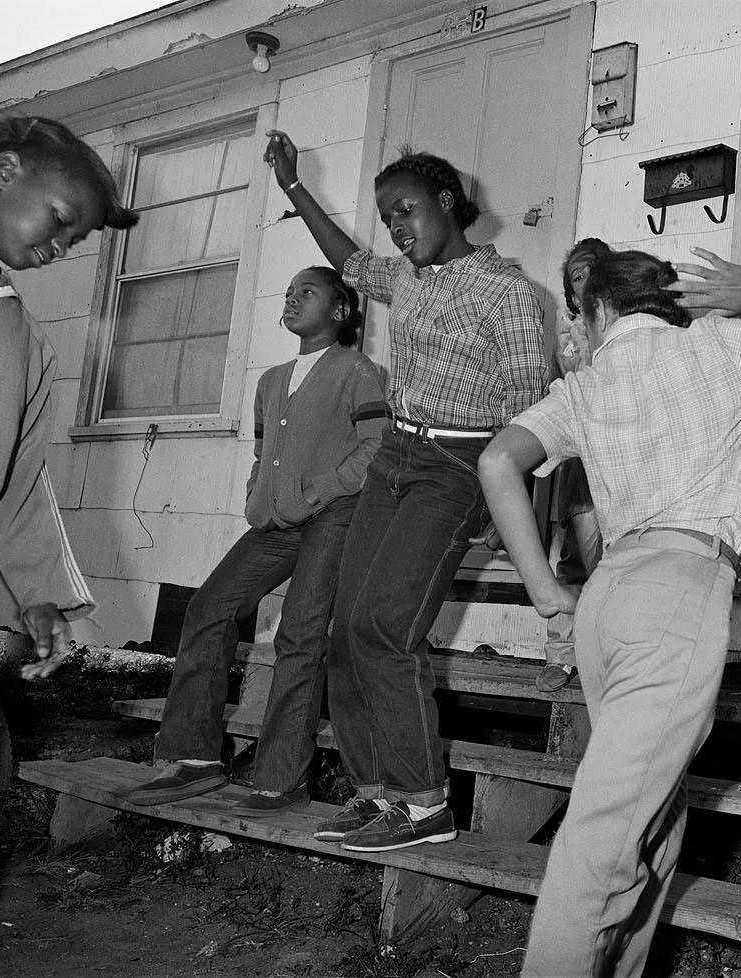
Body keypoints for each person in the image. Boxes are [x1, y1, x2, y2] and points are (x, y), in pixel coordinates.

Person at [478, 247, 741, 977]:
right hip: (679, 590)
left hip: (608, 599)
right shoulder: (721, 345)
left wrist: (547, 592)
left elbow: (497, 462)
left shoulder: (588, 383)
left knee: (651, 817)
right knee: (605, 838)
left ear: (601, 309)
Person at [263, 131, 548, 852]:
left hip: (453, 471)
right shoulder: (409, 278)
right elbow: (348, 261)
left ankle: (426, 806)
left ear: (446, 203)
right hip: (393, 456)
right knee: (344, 628)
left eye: (407, 210)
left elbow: (527, 413)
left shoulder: (509, 293)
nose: (396, 226)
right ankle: (376, 792)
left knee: (387, 629)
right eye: (387, 215)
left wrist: (505, 510)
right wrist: (294, 187)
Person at [0, 113, 139, 975]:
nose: (62, 246)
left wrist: (38, 589)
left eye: (75, 239)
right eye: (59, 220)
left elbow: (16, 476)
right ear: (4, 172)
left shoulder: (21, 336)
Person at [126, 267, 386, 817]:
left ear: (340, 311)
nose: (292, 300)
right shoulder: (271, 381)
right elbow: (261, 452)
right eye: (288, 293)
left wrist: (316, 490)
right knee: (208, 608)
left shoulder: (358, 371)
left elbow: (374, 451)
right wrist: (256, 495)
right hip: (273, 522)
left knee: (300, 631)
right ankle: (194, 758)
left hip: (333, 515)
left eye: (307, 292)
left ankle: (279, 777)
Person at [535, 237, 610, 693]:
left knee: (617, 563)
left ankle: (606, 655)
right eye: (576, 276)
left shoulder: (630, 328)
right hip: (581, 471)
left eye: (593, 272)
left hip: (622, 469)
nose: (584, 282)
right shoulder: (568, 342)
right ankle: (562, 654)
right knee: (575, 562)